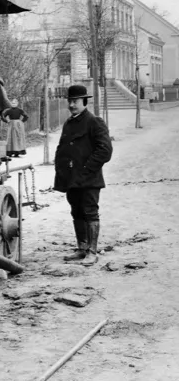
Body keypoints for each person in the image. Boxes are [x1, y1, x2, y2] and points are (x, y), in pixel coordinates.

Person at [54, 85, 113, 266]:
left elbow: (105, 151)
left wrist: (86, 169)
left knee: (90, 213)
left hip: (89, 179)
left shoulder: (94, 122)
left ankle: (92, 252)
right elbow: (63, 149)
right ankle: (82, 248)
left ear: (84, 102)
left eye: (75, 101)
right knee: (76, 212)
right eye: (70, 101)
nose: (72, 105)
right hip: (72, 180)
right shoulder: (69, 123)